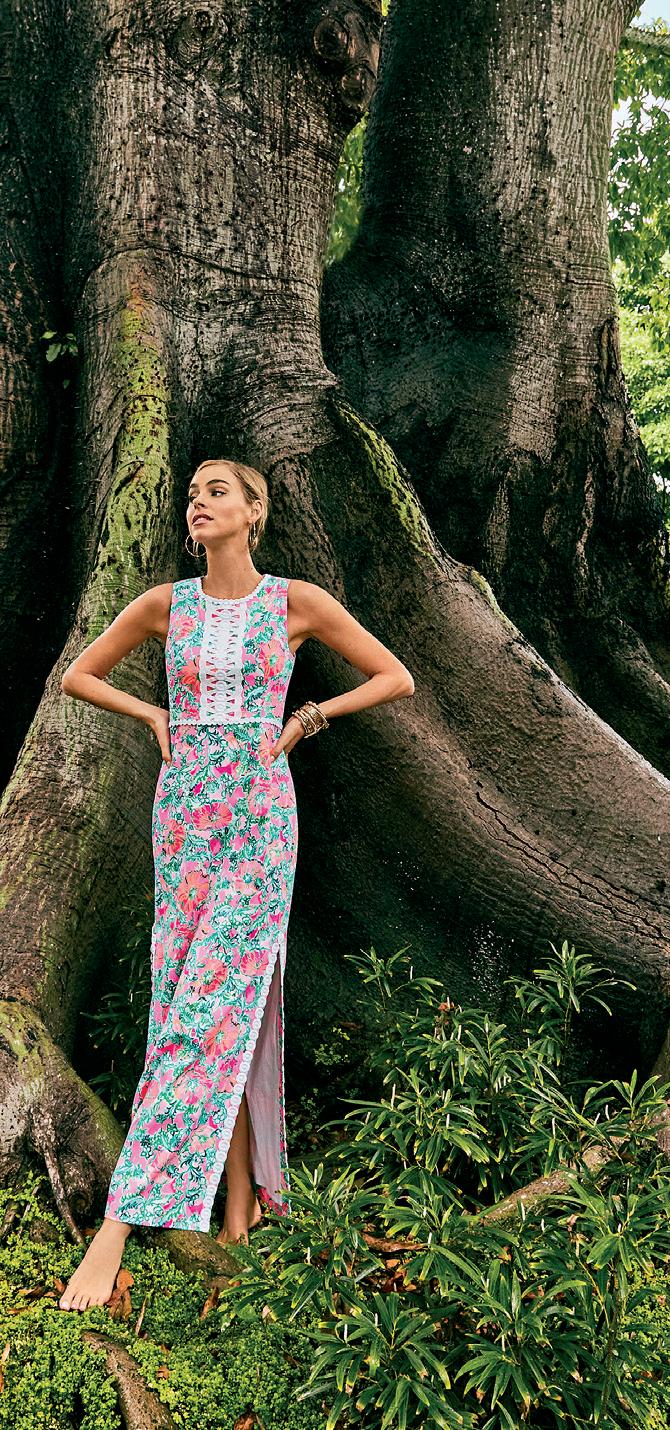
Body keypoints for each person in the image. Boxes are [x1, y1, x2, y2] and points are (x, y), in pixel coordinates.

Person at [57, 457, 415, 1311]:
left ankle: (121, 1221)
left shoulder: (295, 603)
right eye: (192, 494)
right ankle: (237, 1207)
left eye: (217, 491)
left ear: (256, 510)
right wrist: (152, 712)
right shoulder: (164, 605)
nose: (199, 503)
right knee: (190, 1000)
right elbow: (78, 675)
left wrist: (309, 717)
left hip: (259, 814)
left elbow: (394, 676)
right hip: (184, 813)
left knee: (223, 999)